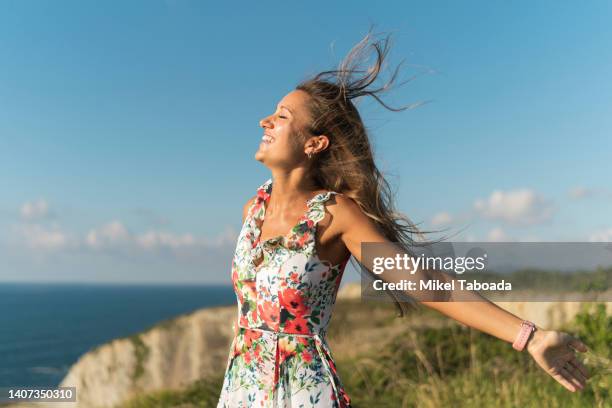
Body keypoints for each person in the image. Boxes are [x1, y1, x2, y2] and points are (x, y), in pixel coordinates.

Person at [216, 29, 590, 408]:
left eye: (281, 116)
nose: (265, 120)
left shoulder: (334, 213)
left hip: (301, 394)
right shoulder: (253, 210)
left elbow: (424, 280)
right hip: (240, 389)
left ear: (315, 144)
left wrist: (531, 337)